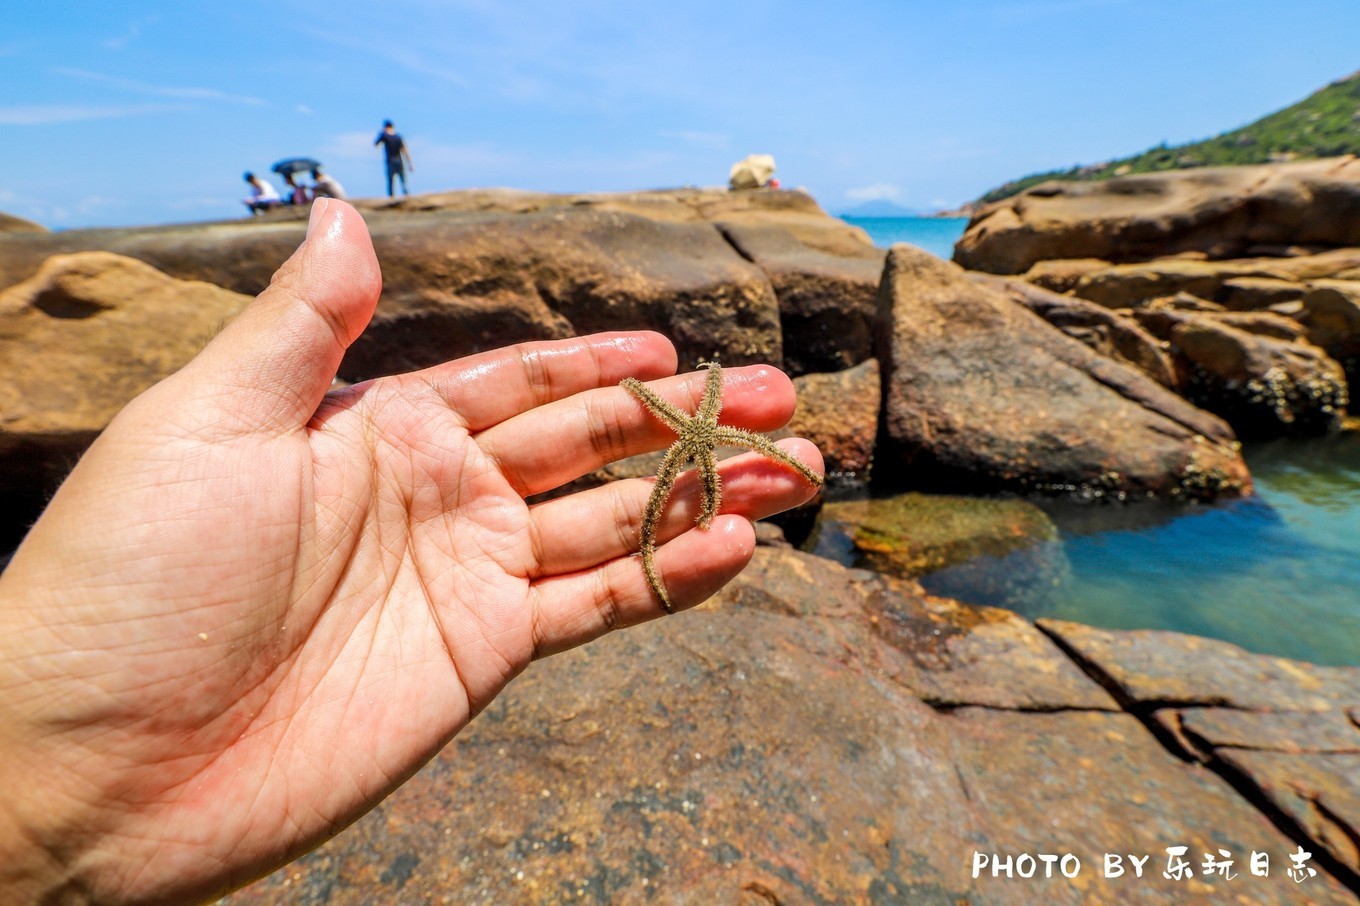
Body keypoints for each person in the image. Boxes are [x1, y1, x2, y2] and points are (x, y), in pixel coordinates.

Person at [0, 198, 822, 904]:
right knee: (677, 508)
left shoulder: (695, 435)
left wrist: (45, 835)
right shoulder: (693, 434)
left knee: (699, 500)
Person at [374, 119, 413, 196]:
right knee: (404, 182)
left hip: (390, 162)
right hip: (400, 161)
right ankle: (407, 197)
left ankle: (392, 199)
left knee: (391, 183)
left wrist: (380, 134)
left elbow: (376, 145)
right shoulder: (398, 137)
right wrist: (410, 163)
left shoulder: (384, 135)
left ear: (386, 127)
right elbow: (404, 150)